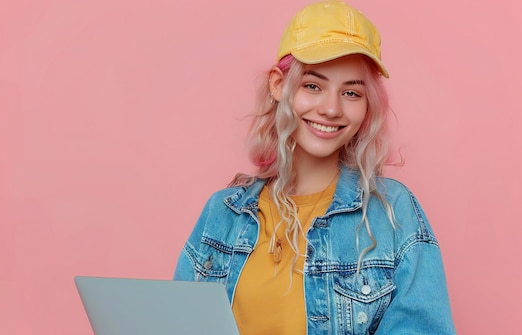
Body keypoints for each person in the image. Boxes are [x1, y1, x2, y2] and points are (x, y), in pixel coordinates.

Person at [173, 1, 455, 334]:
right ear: (279, 85)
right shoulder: (223, 214)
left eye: (351, 92)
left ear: (367, 106)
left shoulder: (392, 213)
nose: (332, 108)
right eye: (313, 86)